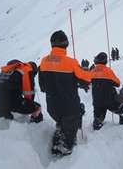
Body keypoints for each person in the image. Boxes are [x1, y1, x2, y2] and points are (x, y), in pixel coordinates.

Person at [39, 30, 91, 158]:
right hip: (69, 108)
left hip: (52, 108)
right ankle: (66, 153)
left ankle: (59, 139)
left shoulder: (43, 62)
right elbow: (86, 79)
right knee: (70, 128)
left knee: (62, 124)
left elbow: (43, 87)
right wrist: (85, 69)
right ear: (66, 44)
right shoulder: (71, 62)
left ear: (52, 45)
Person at [90, 52, 123, 130]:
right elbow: (117, 83)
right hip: (109, 100)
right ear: (105, 61)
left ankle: (96, 136)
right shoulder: (108, 71)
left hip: (97, 101)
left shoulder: (92, 71)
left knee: (98, 120)